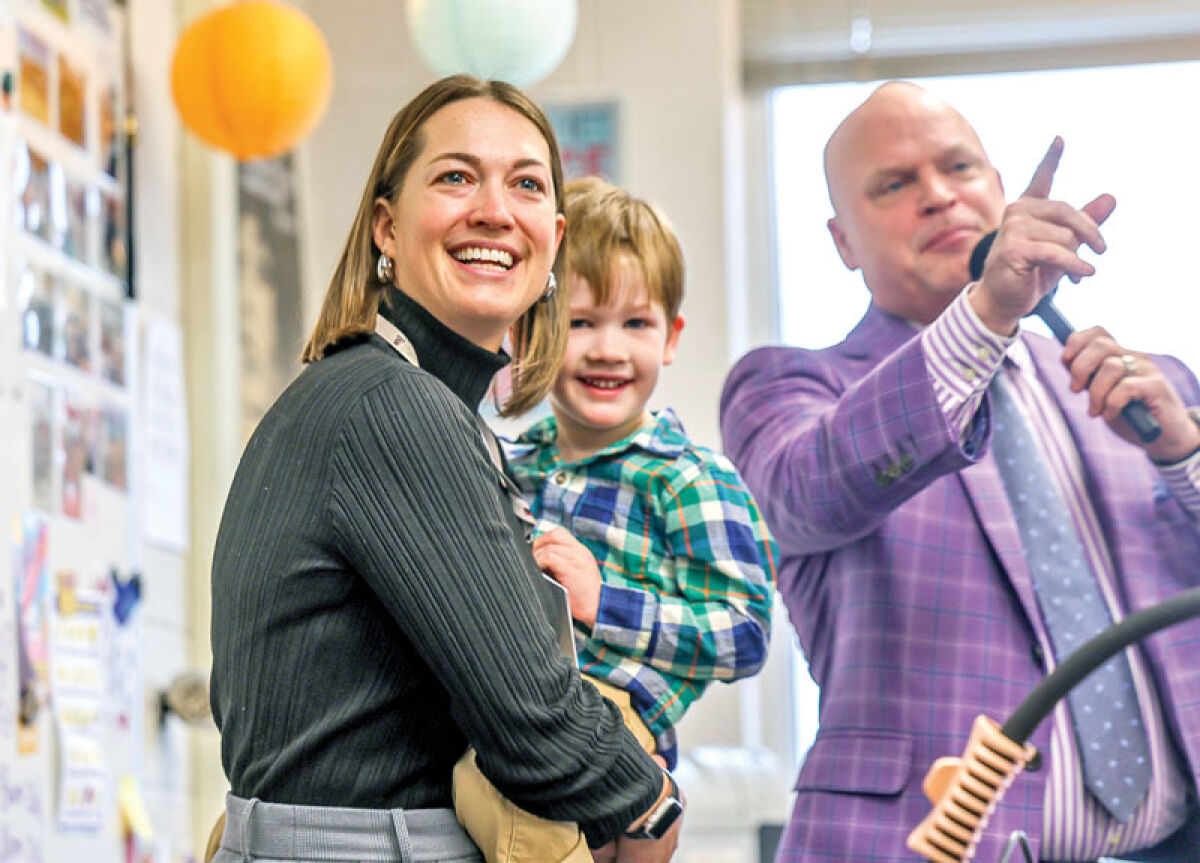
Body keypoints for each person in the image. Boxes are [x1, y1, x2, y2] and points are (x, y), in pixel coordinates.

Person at [720, 81, 1200, 863]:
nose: (939, 197)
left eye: (959, 168)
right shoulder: (786, 386)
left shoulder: (1152, 387)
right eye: (895, 183)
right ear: (843, 242)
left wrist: (1186, 455)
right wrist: (986, 313)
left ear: (1000, 193)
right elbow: (808, 491)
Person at [208, 75, 682, 863]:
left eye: (526, 184)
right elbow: (534, 723)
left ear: (554, 241)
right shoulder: (394, 409)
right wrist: (654, 801)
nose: (495, 209)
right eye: (457, 176)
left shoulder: (372, 394)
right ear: (387, 228)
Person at [453, 176, 776, 863]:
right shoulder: (507, 460)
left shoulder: (689, 475)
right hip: (512, 705)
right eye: (579, 322)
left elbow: (745, 631)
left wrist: (606, 604)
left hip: (613, 718)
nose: (607, 348)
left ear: (670, 336)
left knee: (502, 797)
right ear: (529, 331)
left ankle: (649, 811)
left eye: (635, 323)